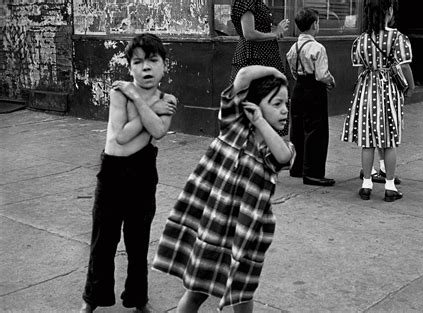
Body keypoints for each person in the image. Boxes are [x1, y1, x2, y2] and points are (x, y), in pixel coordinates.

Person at [152, 65, 295, 313]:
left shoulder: (276, 146)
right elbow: (242, 77)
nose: (284, 110)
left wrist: (261, 121)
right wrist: (274, 71)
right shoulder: (233, 125)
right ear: (253, 105)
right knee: (196, 291)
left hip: (247, 233)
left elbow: (284, 158)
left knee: (241, 293)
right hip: (213, 226)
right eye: (276, 103)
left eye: (286, 104)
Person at [80, 33, 177, 313]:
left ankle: (138, 300)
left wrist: (141, 100)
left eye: (153, 60)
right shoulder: (119, 92)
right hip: (112, 173)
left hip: (143, 172)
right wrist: (145, 105)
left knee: (138, 243)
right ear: (130, 67)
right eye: (138, 62)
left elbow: (159, 130)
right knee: (103, 240)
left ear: (164, 66)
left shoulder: (166, 99)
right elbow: (121, 136)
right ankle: (91, 299)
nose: (145, 67)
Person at [341, 0, 414, 202]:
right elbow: (405, 66)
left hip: (366, 90)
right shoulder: (397, 38)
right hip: (389, 91)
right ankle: (390, 186)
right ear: (388, 12)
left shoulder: (361, 40)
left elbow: (360, 70)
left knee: (368, 141)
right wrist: (410, 86)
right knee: (389, 141)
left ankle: (366, 184)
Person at [286, 7, 336, 186]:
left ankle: (297, 167)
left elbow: (292, 69)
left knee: (298, 128)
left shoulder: (294, 47)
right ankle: (313, 173)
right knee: (316, 131)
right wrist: (330, 81)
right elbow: (322, 75)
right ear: (315, 25)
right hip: (315, 90)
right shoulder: (318, 48)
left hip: (299, 87)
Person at [229, 0, 290, 136]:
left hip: (264, 56)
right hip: (253, 57)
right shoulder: (247, 1)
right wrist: (275, 33)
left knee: (269, 103)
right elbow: (249, 33)